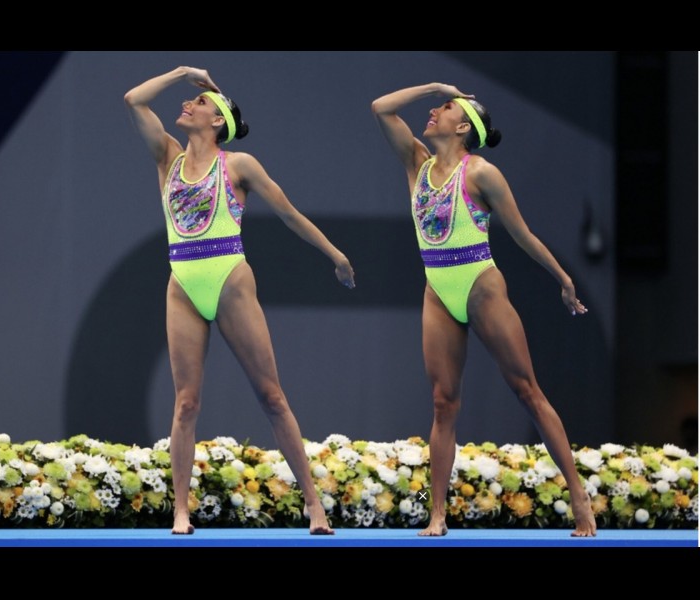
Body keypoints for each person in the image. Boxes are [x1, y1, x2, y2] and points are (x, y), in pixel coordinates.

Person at [124, 66, 355, 534]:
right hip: (183, 285)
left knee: (272, 396)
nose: (188, 103)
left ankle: (313, 504)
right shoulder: (167, 156)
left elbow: (288, 213)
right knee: (186, 404)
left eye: (200, 102)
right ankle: (181, 511)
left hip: (229, 280)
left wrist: (336, 255)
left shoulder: (238, 165)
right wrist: (184, 73)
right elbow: (134, 99)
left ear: (218, 122)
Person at [371, 82, 597, 537]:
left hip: (480, 285)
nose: (434, 111)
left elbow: (522, 234)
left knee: (527, 390)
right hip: (438, 290)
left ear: (464, 128)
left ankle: (578, 494)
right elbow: (381, 107)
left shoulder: (481, 174)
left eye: (445, 108)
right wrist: (435, 87)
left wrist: (563, 278)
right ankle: (437, 514)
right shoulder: (417, 162)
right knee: (443, 403)